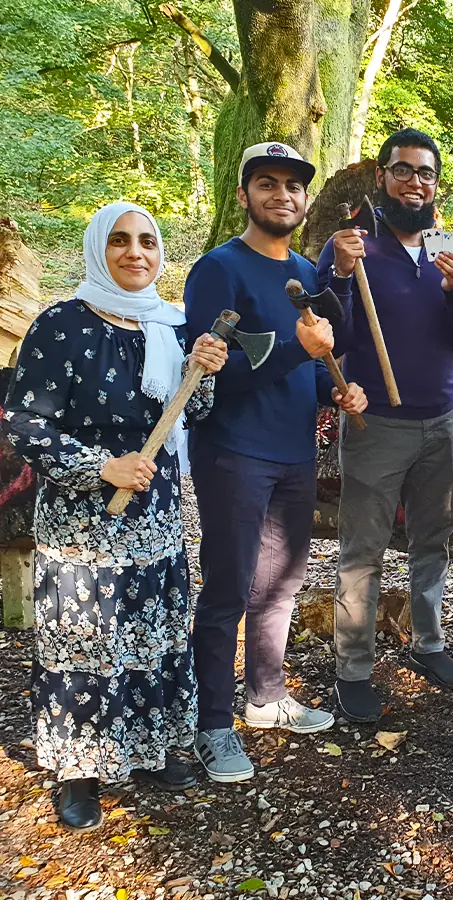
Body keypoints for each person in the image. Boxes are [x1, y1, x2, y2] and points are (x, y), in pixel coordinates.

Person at [2, 202, 228, 831]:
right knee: (87, 641)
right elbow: (25, 422)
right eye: (121, 241)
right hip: (84, 525)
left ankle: (149, 749)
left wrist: (201, 372)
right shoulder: (59, 326)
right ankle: (78, 770)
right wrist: (101, 467)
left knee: (151, 632)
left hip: (154, 513)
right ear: (96, 248)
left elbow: (193, 414)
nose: (137, 252)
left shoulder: (172, 324)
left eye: (149, 241)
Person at [185, 143, 367, 783]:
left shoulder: (300, 271)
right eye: (267, 183)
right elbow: (205, 380)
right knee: (229, 588)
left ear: (305, 200)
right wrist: (297, 352)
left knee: (281, 586)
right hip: (234, 453)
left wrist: (339, 390)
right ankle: (212, 724)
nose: (281, 195)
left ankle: (265, 699)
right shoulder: (218, 270)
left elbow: (308, 372)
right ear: (243, 195)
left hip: (292, 453)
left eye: (293, 186)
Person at [316, 128, 453, 722]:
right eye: (403, 170)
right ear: (381, 177)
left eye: (426, 172)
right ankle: (353, 668)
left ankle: (429, 643)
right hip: (376, 422)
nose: (416, 182)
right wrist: (336, 274)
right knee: (363, 549)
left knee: (433, 541)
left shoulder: (449, 248)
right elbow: (333, 332)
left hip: (442, 417)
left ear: (436, 183)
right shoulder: (354, 247)